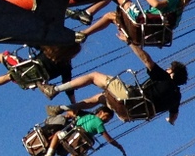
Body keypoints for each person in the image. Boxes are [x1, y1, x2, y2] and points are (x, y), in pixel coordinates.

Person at [44, 34, 187, 124]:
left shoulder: (165, 79)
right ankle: (62, 108)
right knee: (100, 98)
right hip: (128, 114)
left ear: (172, 73)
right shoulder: (177, 97)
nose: (167, 69)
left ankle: (55, 89)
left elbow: (146, 59)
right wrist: (170, 121)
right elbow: (174, 116)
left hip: (130, 98)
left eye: (169, 69)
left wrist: (130, 42)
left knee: (94, 76)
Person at [76, 0, 193, 43]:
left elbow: (155, 4)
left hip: (139, 19)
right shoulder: (178, 15)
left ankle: (88, 12)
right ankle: (83, 34)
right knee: (110, 16)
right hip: (140, 34)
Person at [0, 41, 80, 91]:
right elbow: (68, 86)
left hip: (22, 68)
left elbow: (33, 42)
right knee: (10, 77)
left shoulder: (49, 50)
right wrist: (74, 103)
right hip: (28, 80)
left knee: (1, 56)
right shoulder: (66, 67)